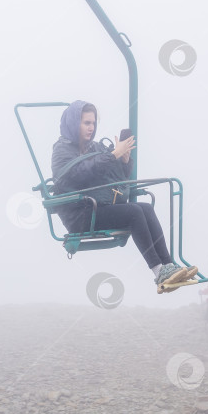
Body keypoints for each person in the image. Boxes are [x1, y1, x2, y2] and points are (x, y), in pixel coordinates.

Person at [50, 100, 197, 290]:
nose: (91, 128)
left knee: (145, 207)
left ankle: (168, 265)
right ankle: (158, 270)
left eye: (93, 123)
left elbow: (114, 178)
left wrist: (124, 160)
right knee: (133, 212)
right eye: (86, 123)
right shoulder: (61, 150)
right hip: (80, 213)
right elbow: (77, 174)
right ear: (73, 123)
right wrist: (112, 155)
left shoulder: (94, 147)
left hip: (97, 207)